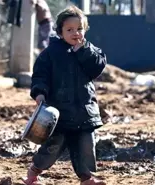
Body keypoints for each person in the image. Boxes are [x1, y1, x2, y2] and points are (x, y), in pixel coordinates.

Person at [22, 5, 107, 185]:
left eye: (79, 29)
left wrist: (83, 51)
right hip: (58, 113)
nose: (75, 33)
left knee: (85, 146)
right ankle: (34, 171)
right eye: (70, 29)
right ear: (60, 32)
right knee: (52, 148)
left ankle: (87, 178)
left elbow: (97, 68)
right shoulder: (50, 54)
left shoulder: (89, 51)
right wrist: (39, 93)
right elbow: (40, 76)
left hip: (84, 111)